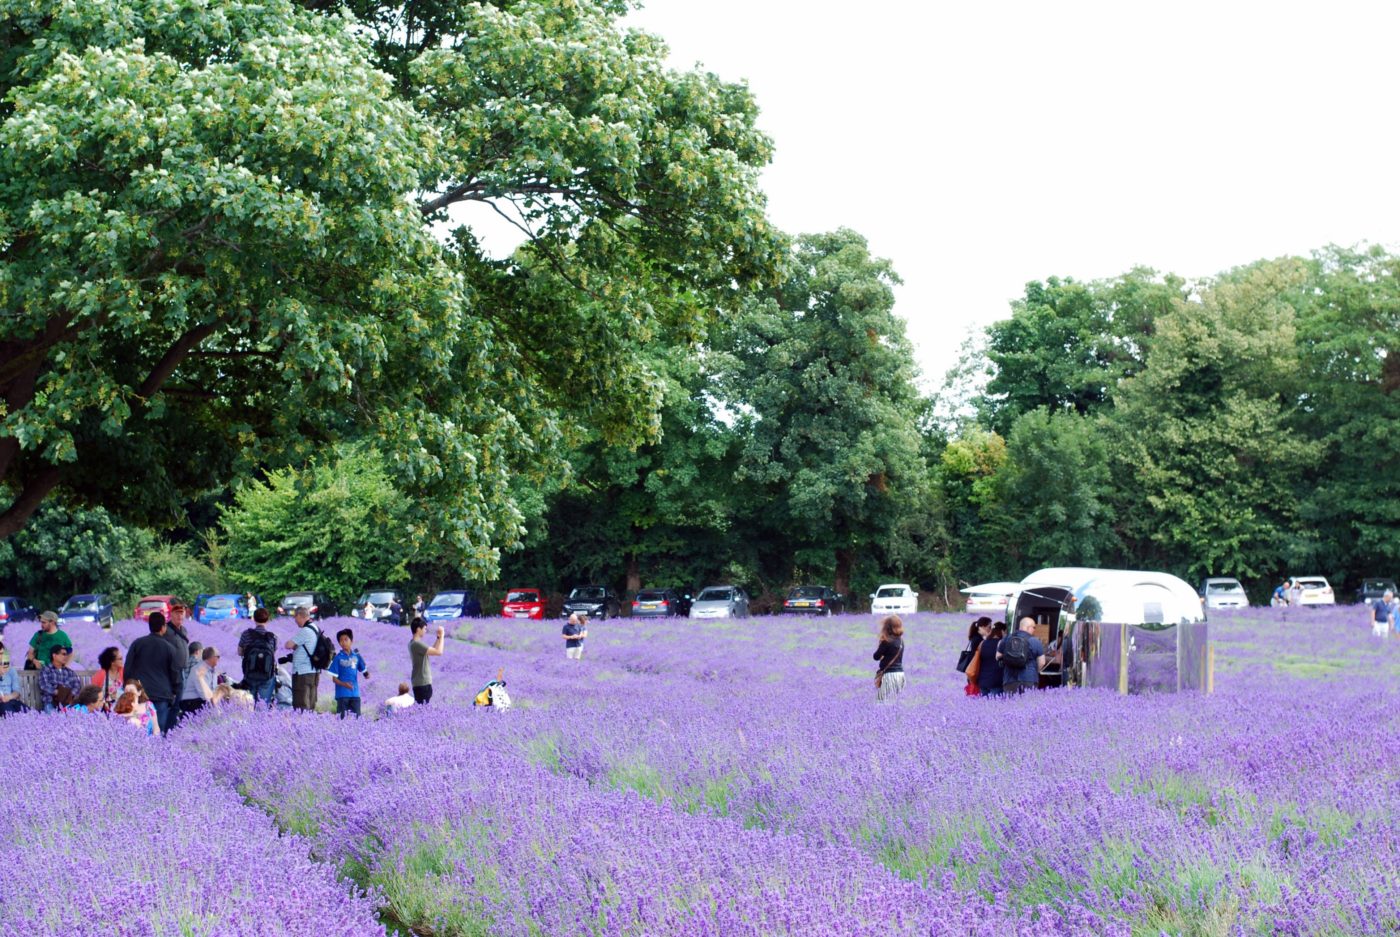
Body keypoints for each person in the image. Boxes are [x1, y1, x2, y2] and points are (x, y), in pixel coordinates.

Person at [125, 612, 183, 734]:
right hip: (161, 694)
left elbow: (128, 668)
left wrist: (129, 687)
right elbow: (175, 674)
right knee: (158, 731)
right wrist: (174, 691)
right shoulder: (169, 648)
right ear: (163, 627)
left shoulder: (137, 644)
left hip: (140, 694)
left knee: (138, 730)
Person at [237, 608, 279, 707]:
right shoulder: (272, 637)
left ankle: (250, 720)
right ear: (267, 619)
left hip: (250, 673)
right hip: (266, 675)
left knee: (249, 705)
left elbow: (239, 652)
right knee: (263, 704)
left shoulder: (246, 634)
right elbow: (273, 654)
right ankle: (260, 721)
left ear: (254, 619)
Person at [284, 606, 321, 712]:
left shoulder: (305, 631)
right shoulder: (315, 628)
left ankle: (302, 725)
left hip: (302, 673)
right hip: (314, 671)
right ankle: (309, 725)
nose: (295, 620)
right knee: (310, 702)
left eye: (295, 617)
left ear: (300, 616)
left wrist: (293, 645)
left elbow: (288, 645)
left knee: (301, 704)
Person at [998, 616, 1047, 695]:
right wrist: (1035, 670)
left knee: (1011, 704)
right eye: (1034, 627)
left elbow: (998, 656)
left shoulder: (1006, 639)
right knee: (1028, 705)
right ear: (1028, 628)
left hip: (1010, 679)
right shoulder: (1035, 641)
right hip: (1029, 678)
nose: (1034, 630)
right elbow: (1042, 662)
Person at [329, 629, 369, 719]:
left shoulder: (356, 656)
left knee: (357, 720)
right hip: (342, 695)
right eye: (341, 640)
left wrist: (367, 674)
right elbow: (334, 679)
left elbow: (364, 671)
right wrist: (344, 684)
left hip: (355, 694)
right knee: (342, 720)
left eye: (346, 639)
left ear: (351, 641)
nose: (343, 642)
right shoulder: (337, 658)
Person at [408, 618, 445, 704]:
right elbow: (439, 652)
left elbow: (431, 650)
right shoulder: (417, 644)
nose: (425, 631)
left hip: (419, 682)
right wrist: (442, 636)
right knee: (423, 708)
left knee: (422, 707)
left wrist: (438, 637)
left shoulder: (412, 643)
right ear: (418, 629)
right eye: (424, 628)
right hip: (422, 682)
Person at [38, 644, 84, 711]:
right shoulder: (46, 670)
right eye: (63, 654)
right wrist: (58, 692)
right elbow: (44, 686)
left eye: (66, 654)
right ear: (54, 656)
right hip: (51, 702)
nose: (66, 657)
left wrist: (70, 694)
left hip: (68, 703)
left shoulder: (69, 672)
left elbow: (77, 685)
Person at [873, 614, 905, 702]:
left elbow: (876, 656)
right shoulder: (901, 641)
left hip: (889, 675)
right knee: (895, 702)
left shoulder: (886, 641)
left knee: (881, 702)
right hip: (900, 675)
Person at [180, 646, 219, 716]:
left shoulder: (212, 670)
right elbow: (204, 695)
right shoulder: (199, 669)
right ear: (212, 657)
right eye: (218, 657)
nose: (219, 659)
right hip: (192, 702)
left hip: (201, 701)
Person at [959, 617, 988, 695]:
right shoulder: (978, 640)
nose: (989, 630)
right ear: (981, 627)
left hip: (971, 670)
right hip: (975, 670)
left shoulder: (974, 638)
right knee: (975, 693)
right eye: (988, 627)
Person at [976, 621, 1007, 696]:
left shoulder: (983, 643)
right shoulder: (1002, 644)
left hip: (983, 680)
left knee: (983, 705)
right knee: (996, 705)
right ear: (1002, 631)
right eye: (1005, 632)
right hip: (997, 680)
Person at [0, 644, 28, 715]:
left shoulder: (11, 670)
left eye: (2, 653)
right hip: (1, 704)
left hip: (11, 700)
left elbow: (17, 692)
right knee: (10, 713)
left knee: (29, 713)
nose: (1, 656)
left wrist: (9, 697)